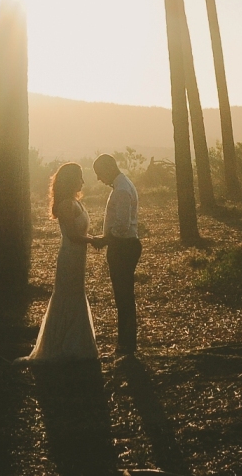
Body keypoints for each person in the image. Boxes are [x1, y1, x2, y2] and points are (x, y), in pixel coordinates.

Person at [21, 162, 98, 363]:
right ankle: (65, 344)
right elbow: (73, 235)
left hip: (77, 257)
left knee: (75, 295)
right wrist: (95, 240)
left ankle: (74, 342)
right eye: (79, 177)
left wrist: (92, 239)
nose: (82, 181)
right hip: (70, 257)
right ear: (71, 180)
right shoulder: (65, 205)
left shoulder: (75, 203)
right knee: (68, 295)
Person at [89, 153, 141, 356]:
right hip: (125, 245)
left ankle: (126, 344)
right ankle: (126, 342)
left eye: (99, 173)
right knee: (124, 296)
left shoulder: (120, 191)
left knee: (123, 297)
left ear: (109, 169)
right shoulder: (124, 185)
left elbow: (121, 225)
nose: (99, 179)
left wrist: (104, 239)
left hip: (123, 247)